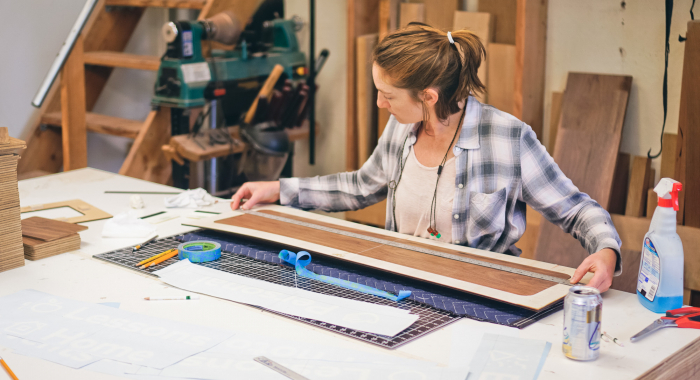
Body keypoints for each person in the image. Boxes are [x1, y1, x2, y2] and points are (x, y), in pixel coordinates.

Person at [230, 23, 622, 291]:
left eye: (388, 95)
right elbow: (361, 186)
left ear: (429, 96)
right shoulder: (402, 128)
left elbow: (576, 210)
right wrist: (279, 189)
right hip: (399, 285)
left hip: (480, 294)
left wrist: (605, 251)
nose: (380, 104)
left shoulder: (507, 139)